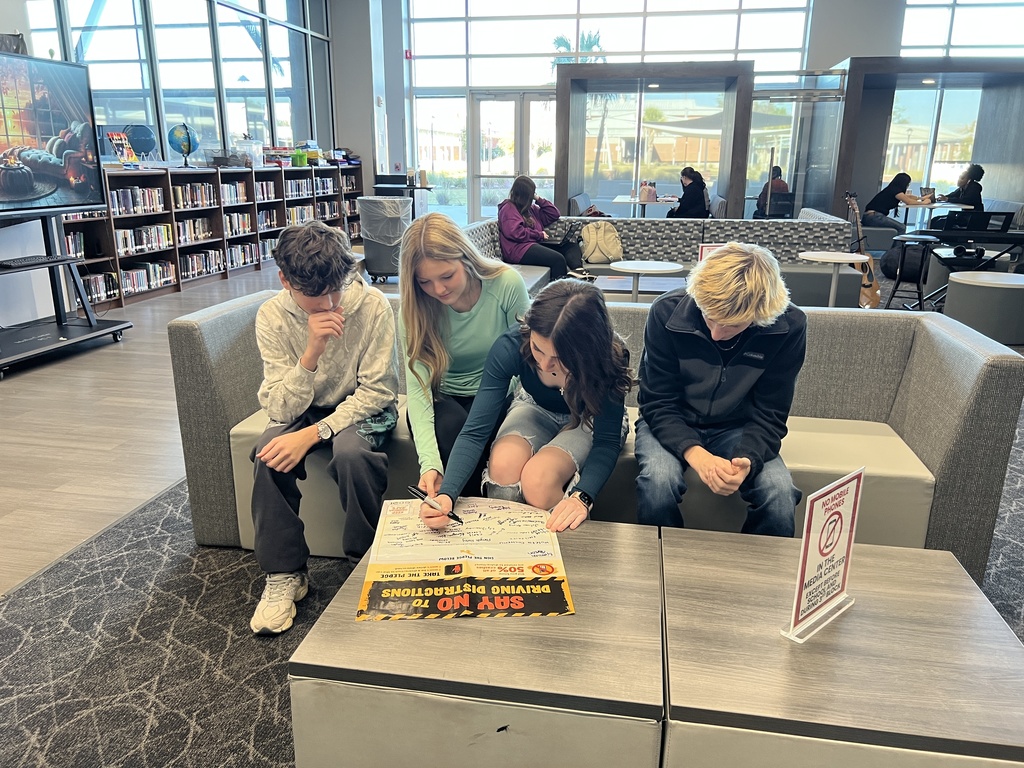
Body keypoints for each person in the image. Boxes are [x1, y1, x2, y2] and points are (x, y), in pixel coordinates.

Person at [249, 220, 399, 635]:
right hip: (303, 408)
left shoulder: (371, 306)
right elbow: (279, 406)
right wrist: (312, 352)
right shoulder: (272, 316)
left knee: (352, 455)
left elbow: (379, 391)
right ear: (285, 280)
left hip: (362, 409)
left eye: (337, 289)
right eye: (315, 297)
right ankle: (285, 574)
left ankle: (362, 564)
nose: (331, 304)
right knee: (268, 456)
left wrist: (316, 434)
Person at [418, 280, 632, 533]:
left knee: (539, 480)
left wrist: (582, 496)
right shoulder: (509, 345)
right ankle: (508, 549)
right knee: (503, 465)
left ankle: (559, 558)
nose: (544, 365)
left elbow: (606, 442)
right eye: (538, 350)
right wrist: (447, 494)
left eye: (560, 359)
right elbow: (476, 430)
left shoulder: (609, 356)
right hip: (534, 405)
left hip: (591, 415)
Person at [634, 242, 806, 537]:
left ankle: (757, 577)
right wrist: (696, 454)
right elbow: (657, 402)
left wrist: (747, 459)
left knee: (779, 493)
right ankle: (660, 569)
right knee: (658, 481)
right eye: (708, 316)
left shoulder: (788, 327)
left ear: (759, 315)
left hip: (738, 427)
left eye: (731, 325)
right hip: (670, 420)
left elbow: (771, 413)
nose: (716, 333)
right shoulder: (666, 312)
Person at [399, 211, 531, 501]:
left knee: (488, 429)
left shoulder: (506, 285)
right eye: (425, 282)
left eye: (447, 276)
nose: (438, 290)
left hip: (498, 392)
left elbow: (526, 364)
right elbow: (418, 390)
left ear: (466, 258)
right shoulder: (415, 309)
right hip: (442, 398)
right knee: (453, 428)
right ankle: (458, 514)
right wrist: (429, 464)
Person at [497, 175, 591, 281]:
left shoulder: (530, 209)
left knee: (570, 246)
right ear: (525, 195)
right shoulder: (508, 208)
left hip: (531, 245)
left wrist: (538, 199)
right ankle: (559, 293)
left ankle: (579, 272)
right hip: (518, 250)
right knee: (558, 260)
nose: (533, 196)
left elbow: (554, 214)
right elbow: (515, 233)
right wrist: (539, 234)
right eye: (531, 194)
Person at [862, 172, 932, 235]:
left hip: (870, 216)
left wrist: (921, 198)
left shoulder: (892, 189)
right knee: (901, 228)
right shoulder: (895, 191)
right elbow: (908, 201)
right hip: (874, 217)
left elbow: (908, 197)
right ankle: (897, 248)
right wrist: (924, 203)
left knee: (900, 227)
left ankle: (895, 247)